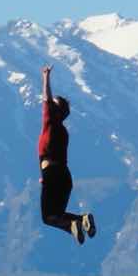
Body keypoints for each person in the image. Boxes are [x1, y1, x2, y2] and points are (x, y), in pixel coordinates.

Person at [39, 66, 96, 245]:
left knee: (48, 217)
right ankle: (82, 219)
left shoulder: (51, 123)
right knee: (57, 215)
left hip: (52, 174)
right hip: (64, 177)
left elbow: (46, 98)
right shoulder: (63, 131)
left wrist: (46, 77)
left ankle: (75, 223)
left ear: (55, 111)